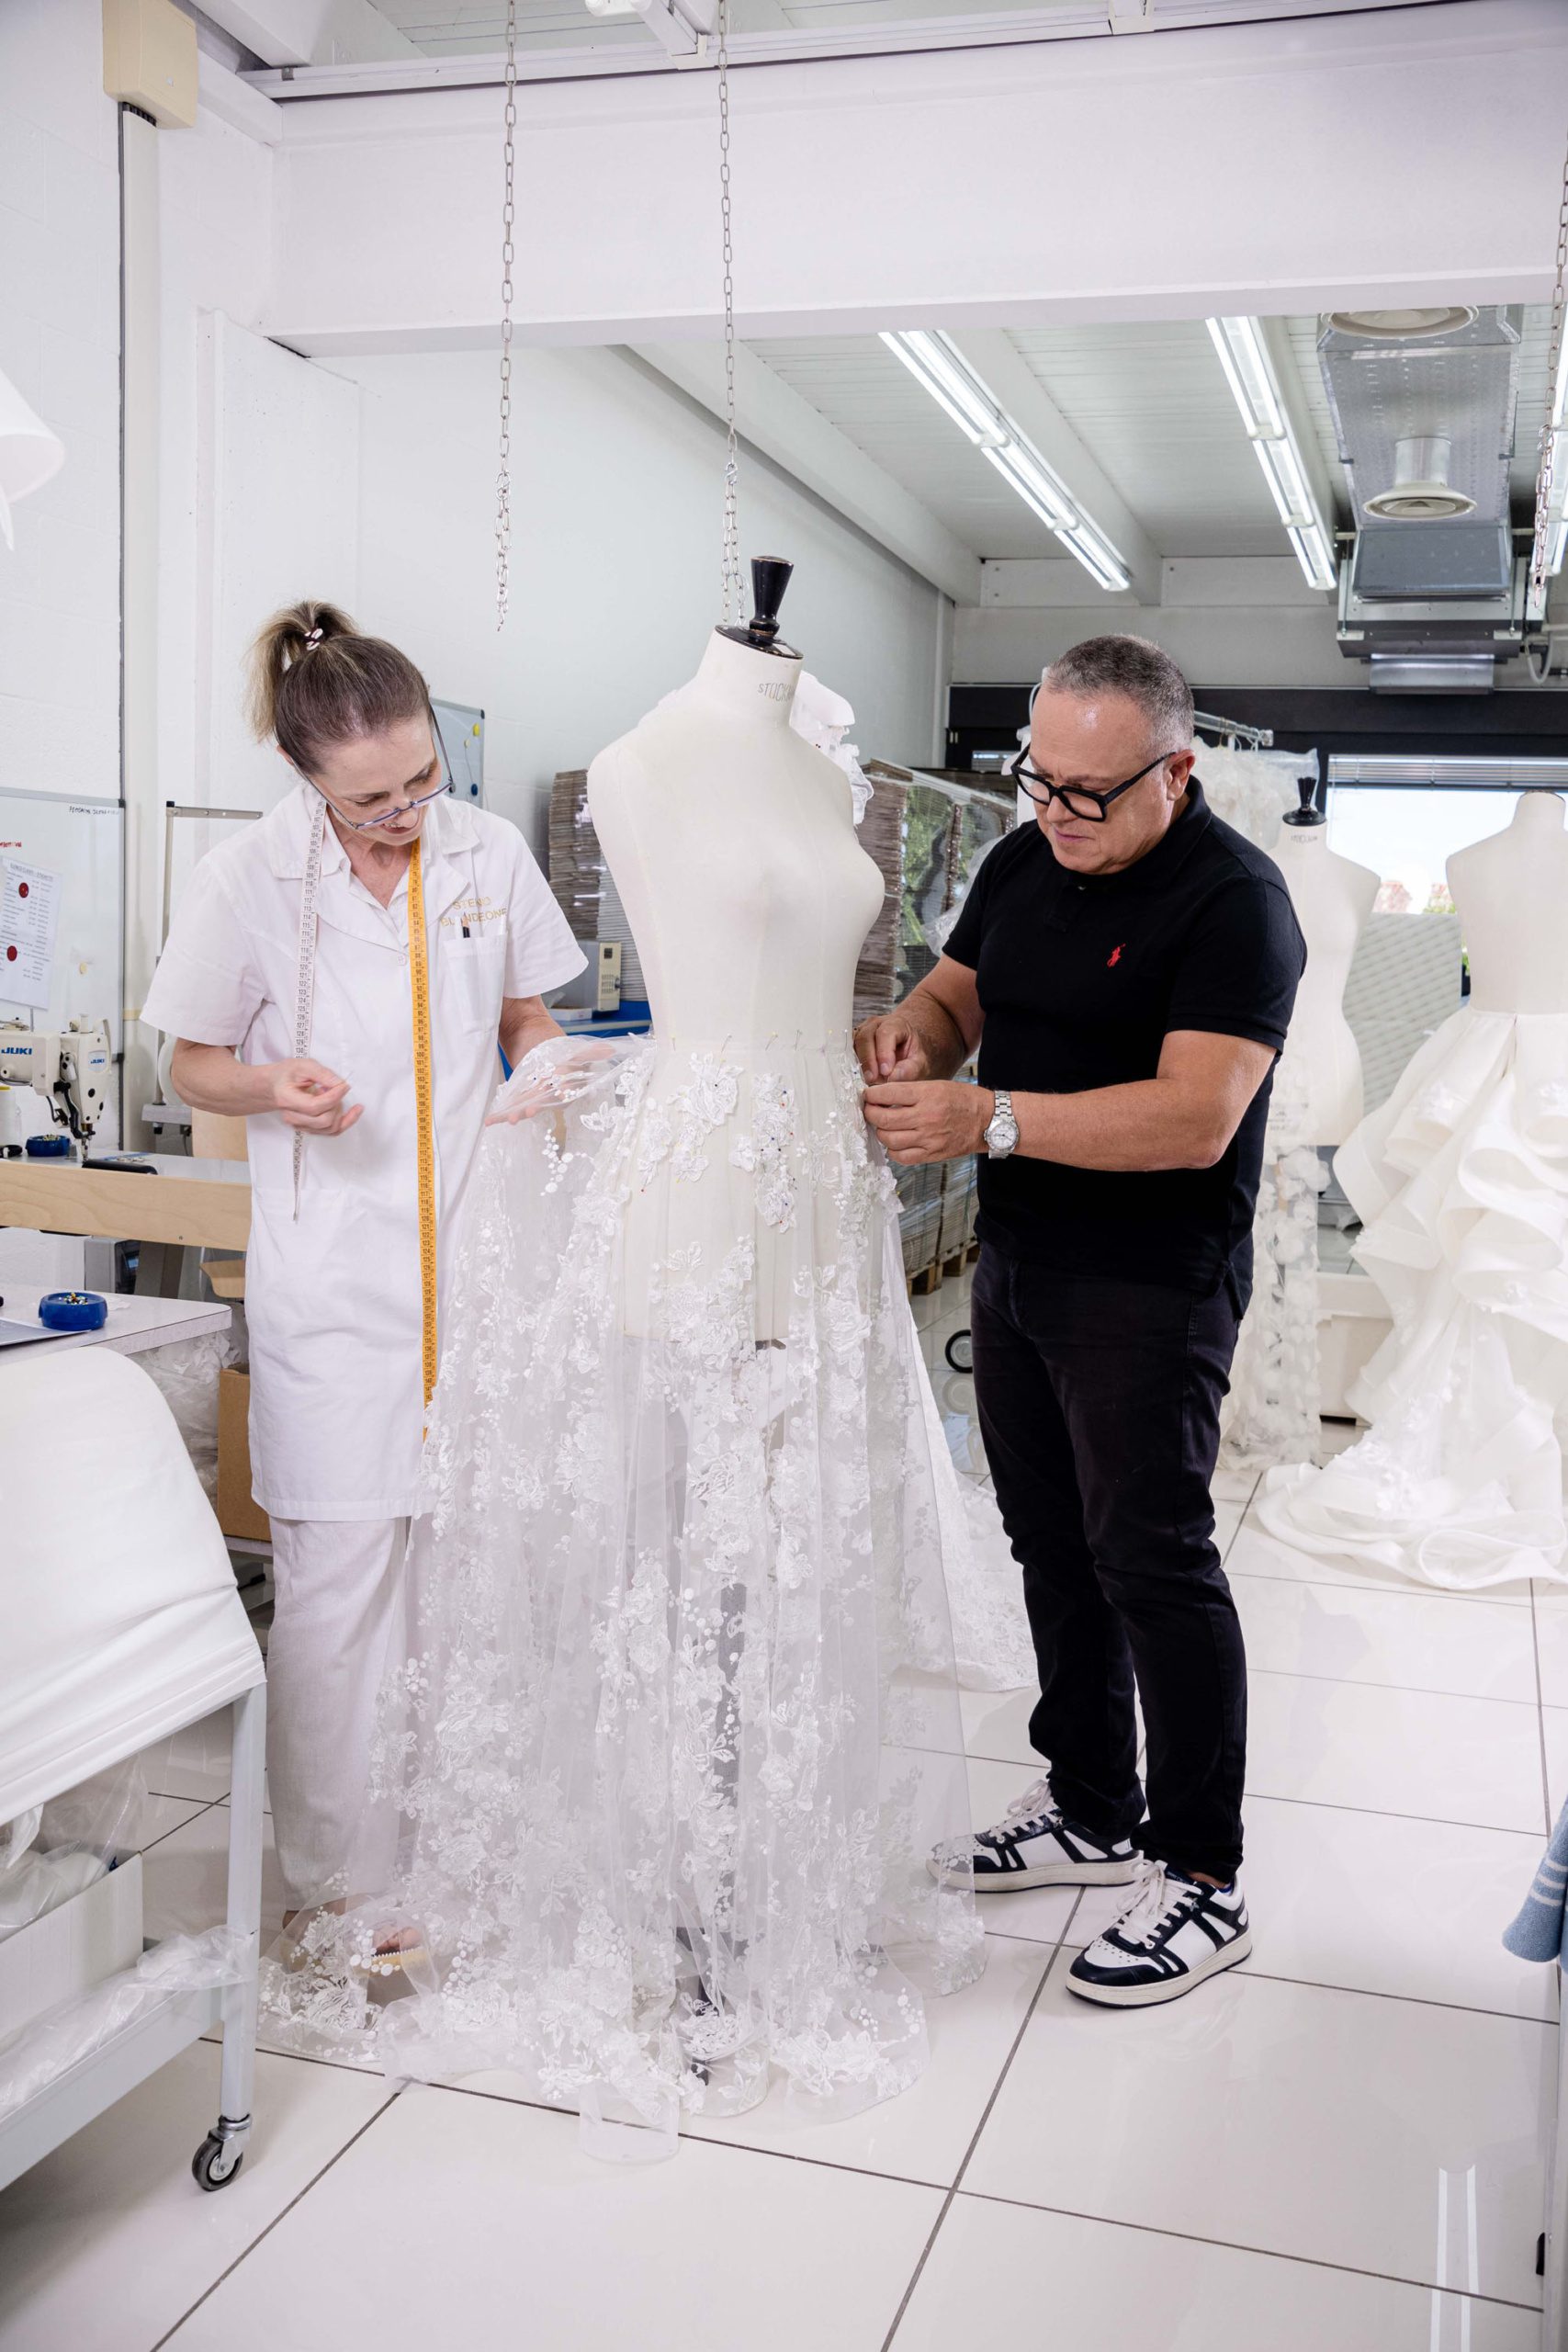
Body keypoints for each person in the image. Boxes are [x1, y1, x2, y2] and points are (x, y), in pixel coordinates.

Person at [857, 634, 1305, 2007]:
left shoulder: (1237, 905)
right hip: (1022, 1261)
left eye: (1088, 793)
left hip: (1152, 1280)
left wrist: (986, 1117)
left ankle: (1204, 1878)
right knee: (1048, 1543)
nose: (1056, 811)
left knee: (1152, 1563)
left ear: (1176, 773)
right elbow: (956, 989)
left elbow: (1196, 1116)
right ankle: (1093, 1810)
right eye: (1037, 779)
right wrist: (919, 1038)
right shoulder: (1025, 857)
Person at [141, 602, 586, 1926]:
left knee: (468, 1575)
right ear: (307, 780)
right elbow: (189, 1059)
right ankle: (337, 1888)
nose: (405, 814)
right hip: (332, 1286)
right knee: (336, 1597)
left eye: (422, 782)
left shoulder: (489, 854)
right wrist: (272, 1085)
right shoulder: (248, 880)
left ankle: (457, 1862)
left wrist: (553, 1072)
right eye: (372, 800)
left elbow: (523, 1011)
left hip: (481, 1271)